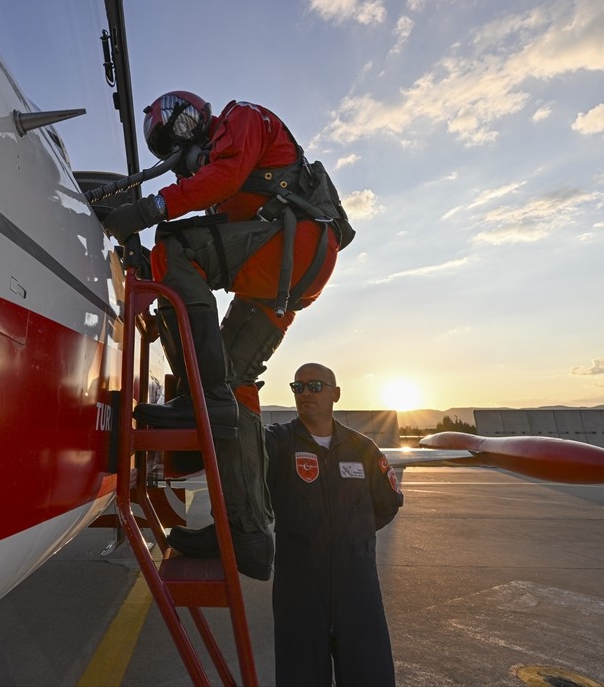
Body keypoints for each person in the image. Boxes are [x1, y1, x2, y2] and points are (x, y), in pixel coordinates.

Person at [104, 91, 350, 580]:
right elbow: (223, 209)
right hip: (290, 268)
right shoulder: (225, 168)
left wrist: (152, 208)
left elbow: (225, 177)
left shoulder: (241, 119)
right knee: (234, 386)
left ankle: (199, 394)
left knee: (174, 246)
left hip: (291, 245)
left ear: (194, 120)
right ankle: (247, 534)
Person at [264, 363, 403, 686]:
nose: (305, 394)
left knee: (369, 674)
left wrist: (352, 535)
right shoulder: (279, 443)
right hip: (299, 588)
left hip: (357, 586)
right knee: (300, 676)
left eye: (314, 386)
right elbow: (247, 458)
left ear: (335, 394)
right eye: (298, 388)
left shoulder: (363, 449)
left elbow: (386, 505)